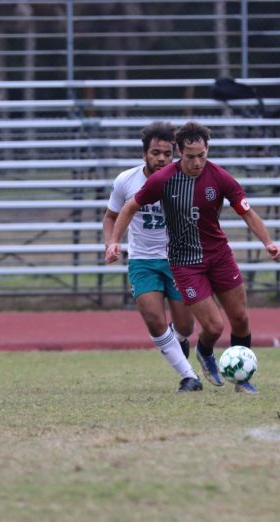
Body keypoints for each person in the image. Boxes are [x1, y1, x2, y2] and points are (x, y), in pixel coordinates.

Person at [106, 121, 280, 394]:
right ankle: (204, 352)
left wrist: (268, 242)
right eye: (190, 157)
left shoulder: (220, 177)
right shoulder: (164, 179)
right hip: (185, 262)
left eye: (202, 155)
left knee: (240, 318)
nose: (198, 162)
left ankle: (242, 381)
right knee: (213, 325)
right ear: (180, 153)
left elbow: (246, 211)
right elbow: (129, 207)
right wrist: (114, 242)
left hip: (219, 255)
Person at [103, 121, 202, 393]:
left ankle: (177, 340)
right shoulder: (126, 181)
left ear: (175, 154)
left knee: (185, 325)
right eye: (155, 153)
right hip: (142, 261)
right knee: (154, 320)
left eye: (167, 154)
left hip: (179, 261)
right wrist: (112, 243)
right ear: (144, 154)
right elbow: (111, 216)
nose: (161, 158)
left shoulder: (186, 180)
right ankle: (189, 377)